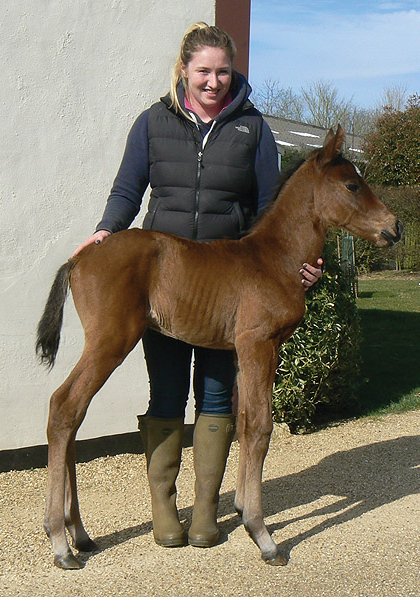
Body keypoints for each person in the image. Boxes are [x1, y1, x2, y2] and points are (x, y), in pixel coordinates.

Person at [73, 22, 322, 549]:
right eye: (204, 71)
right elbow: (127, 189)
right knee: (165, 390)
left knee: (215, 393)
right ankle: (165, 510)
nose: (214, 82)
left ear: (234, 73)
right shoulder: (152, 122)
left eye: (223, 71)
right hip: (169, 279)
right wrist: (105, 232)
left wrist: (300, 263)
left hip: (230, 280)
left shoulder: (252, 128)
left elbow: (269, 211)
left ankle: (207, 509)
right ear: (184, 70)